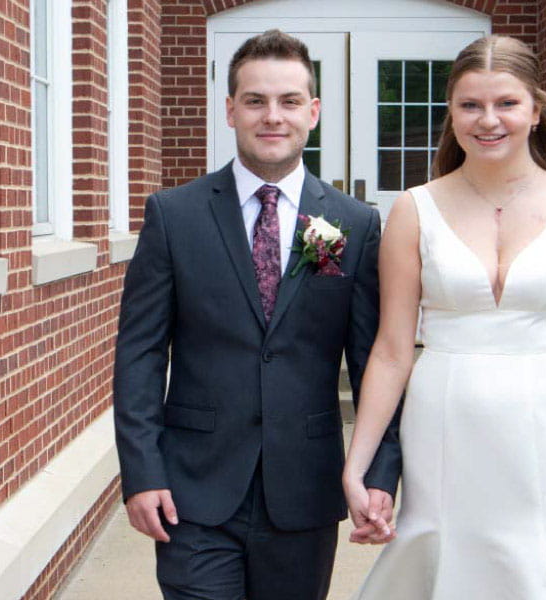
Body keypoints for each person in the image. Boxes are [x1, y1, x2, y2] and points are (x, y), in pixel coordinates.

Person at [342, 34, 546, 598]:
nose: (488, 120)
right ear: (451, 113)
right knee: (445, 547)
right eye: (470, 105)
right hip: (444, 415)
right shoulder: (414, 209)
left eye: (505, 103)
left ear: (535, 110)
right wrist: (356, 466)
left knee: (541, 550)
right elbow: (390, 350)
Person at [113, 29, 400, 600]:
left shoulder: (349, 224)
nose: (273, 116)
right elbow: (140, 354)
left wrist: (379, 473)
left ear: (313, 111)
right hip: (192, 492)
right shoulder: (174, 216)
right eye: (255, 100)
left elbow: (376, 363)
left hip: (303, 490)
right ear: (230, 110)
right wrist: (141, 473)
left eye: (290, 101)